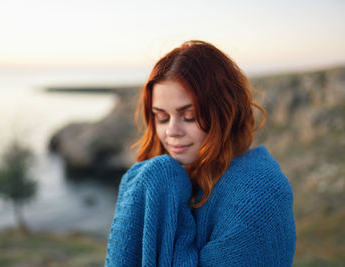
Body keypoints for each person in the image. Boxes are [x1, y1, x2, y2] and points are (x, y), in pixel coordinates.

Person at [105, 40, 296, 266]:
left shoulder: (256, 194)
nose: (171, 131)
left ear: (224, 111)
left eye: (189, 116)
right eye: (161, 117)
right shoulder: (181, 174)